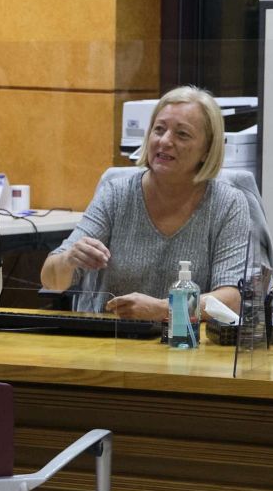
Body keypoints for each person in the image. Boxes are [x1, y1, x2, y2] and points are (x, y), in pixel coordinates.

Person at [40, 85, 252, 320]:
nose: (165, 141)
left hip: (185, 346)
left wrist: (163, 310)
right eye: (159, 130)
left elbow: (231, 299)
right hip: (110, 345)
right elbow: (51, 281)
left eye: (182, 134)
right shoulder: (116, 194)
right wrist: (69, 260)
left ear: (207, 150)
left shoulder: (228, 204)